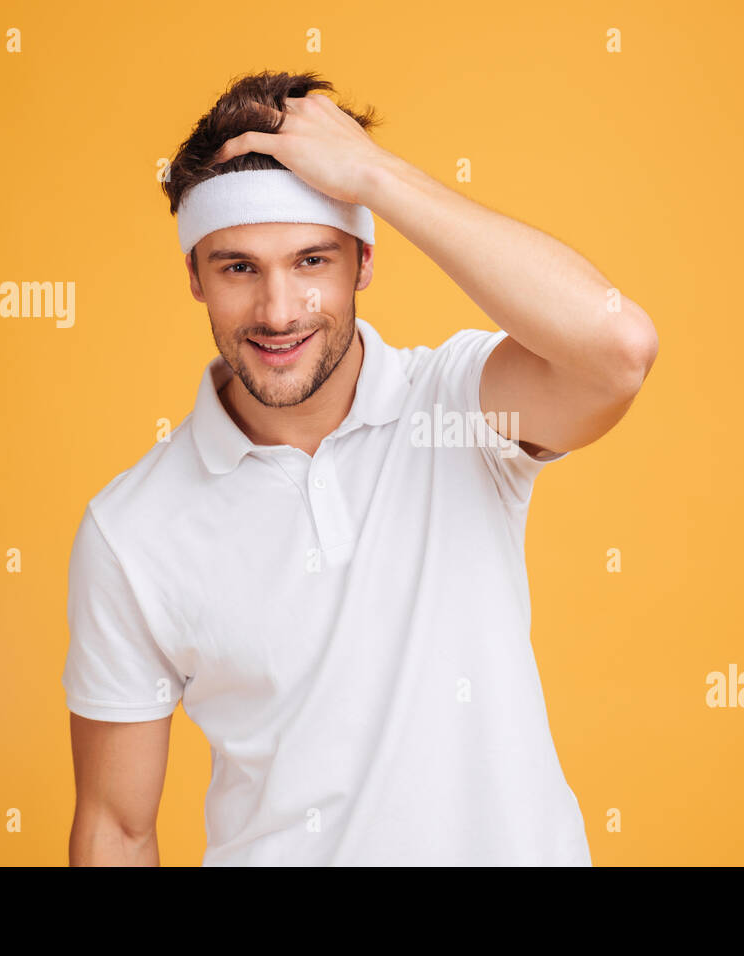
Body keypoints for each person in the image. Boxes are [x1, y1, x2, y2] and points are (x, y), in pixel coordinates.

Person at [61, 70, 658, 866]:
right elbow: (116, 830)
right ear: (195, 276)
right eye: (239, 266)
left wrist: (376, 176)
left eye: (312, 260)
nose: (278, 312)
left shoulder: (457, 409)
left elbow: (617, 350)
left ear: (363, 263)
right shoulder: (130, 528)